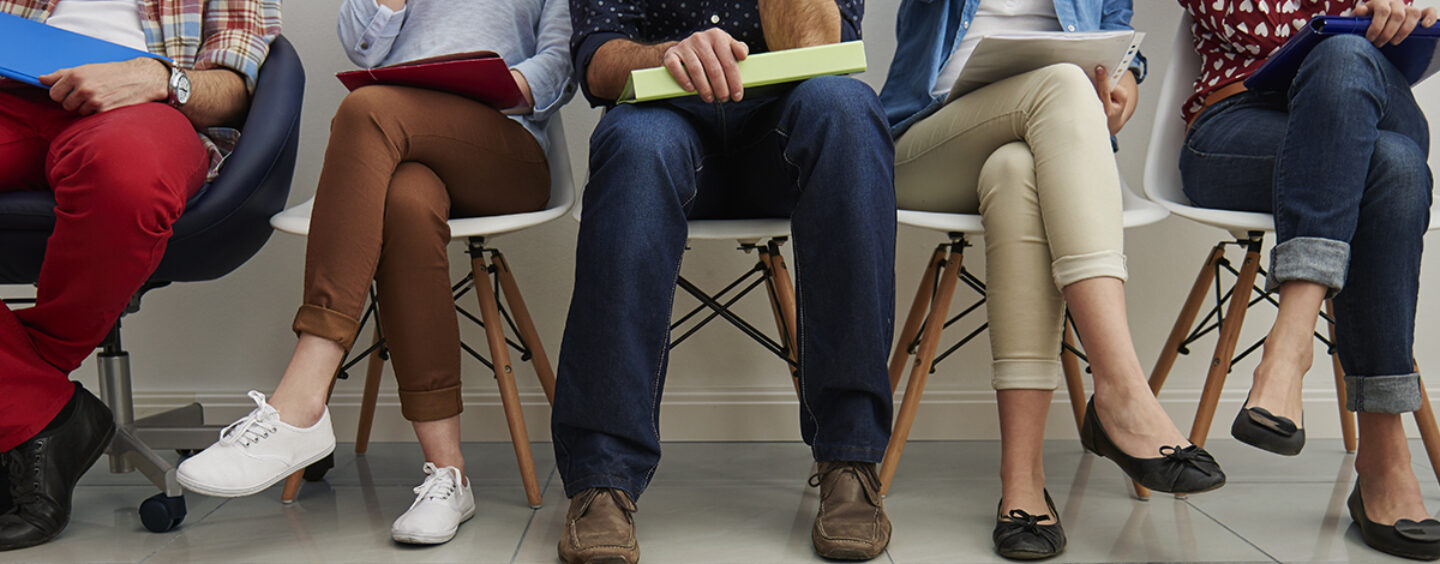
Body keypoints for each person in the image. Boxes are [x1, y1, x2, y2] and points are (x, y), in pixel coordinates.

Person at [174, 0, 573, 546]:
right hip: (404, 143)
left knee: (367, 109)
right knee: (406, 202)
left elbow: (560, 64)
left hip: (504, 148)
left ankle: (302, 400)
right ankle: (448, 476)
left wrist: (500, 87)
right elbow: (361, 45)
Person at [879, 0, 1229, 558]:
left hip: (1052, 139)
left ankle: (1022, 482)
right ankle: (1121, 392)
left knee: (1016, 170)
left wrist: (1124, 87)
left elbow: (1116, 31)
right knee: (1062, 84)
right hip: (929, 137)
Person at [551, 1, 897, 562]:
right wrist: (670, 55)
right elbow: (598, 59)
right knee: (633, 143)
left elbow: (825, 48)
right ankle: (602, 478)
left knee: (848, 109)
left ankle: (850, 458)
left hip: (785, 129)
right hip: (666, 118)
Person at [0, 0, 280, 551]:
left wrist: (159, 78)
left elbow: (236, 89)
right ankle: (42, 412)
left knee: (128, 179)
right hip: (10, 99)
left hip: (144, 110)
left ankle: (26, 395)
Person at [1177, 0, 1437, 558]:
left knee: (1343, 56)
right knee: (1394, 167)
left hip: (1370, 94)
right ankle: (1385, 453)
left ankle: (1289, 344)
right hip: (1238, 124)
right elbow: (1245, 22)